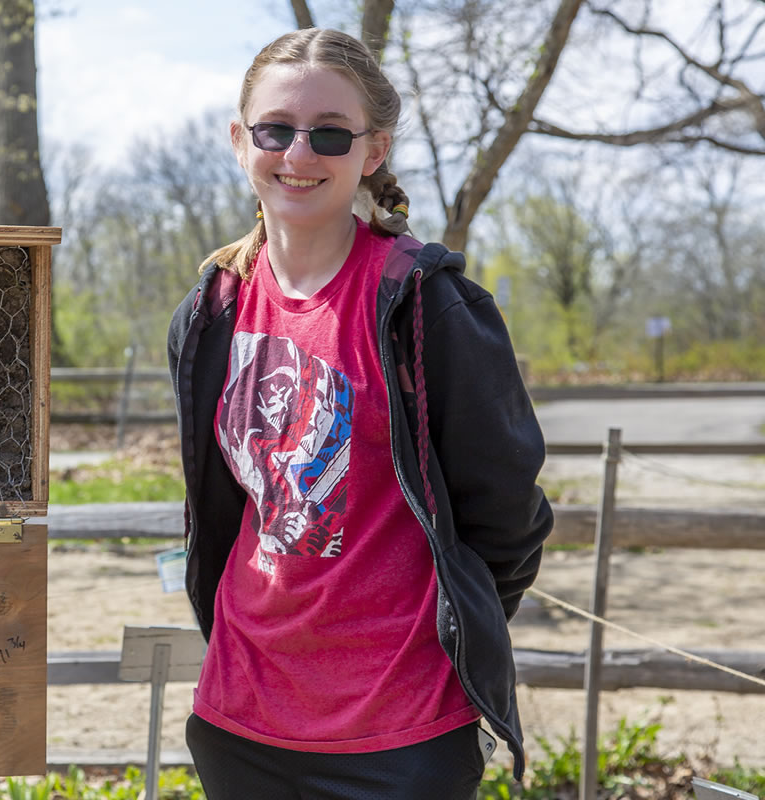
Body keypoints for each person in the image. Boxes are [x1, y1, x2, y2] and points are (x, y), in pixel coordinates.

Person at [166, 28, 554, 799]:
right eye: (276, 129)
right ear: (241, 141)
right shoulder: (210, 313)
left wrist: (441, 639)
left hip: (400, 734)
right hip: (240, 721)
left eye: (331, 134)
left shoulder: (427, 305)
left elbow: (507, 521)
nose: (299, 155)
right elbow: (219, 507)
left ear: (372, 151)